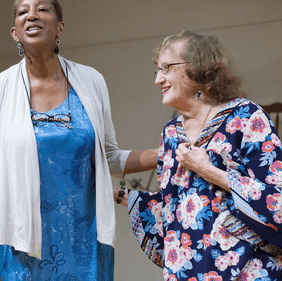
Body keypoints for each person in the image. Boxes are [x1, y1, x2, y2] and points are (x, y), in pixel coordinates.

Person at [0, 0, 158, 280]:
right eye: (23, 11)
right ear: (14, 32)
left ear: (60, 27)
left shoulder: (91, 81)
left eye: (42, 8)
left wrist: (169, 152)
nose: (32, 15)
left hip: (86, 246)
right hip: (22, 249)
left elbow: (108, 159)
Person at [114, 30, 282, 280]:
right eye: (157, 70)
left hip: (247, 271)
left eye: (166, 68)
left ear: (200, 68)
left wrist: (209, 172)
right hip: (188, 273)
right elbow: (172, 210)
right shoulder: (171, 133)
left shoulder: (246, 116)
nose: (158, 79)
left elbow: (276, 201)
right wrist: (115, 194)